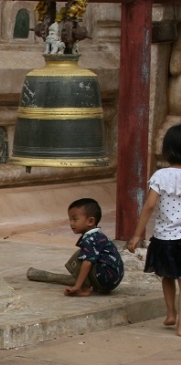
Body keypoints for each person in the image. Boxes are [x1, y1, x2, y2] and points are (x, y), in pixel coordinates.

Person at [127, 123, 181, 336]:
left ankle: (170, 313)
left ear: (166, 150)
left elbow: (149, 205)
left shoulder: (160, 176)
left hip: (164, 239)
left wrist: (137, 235)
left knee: (167, 277)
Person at [64, 198, 124, 297]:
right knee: (86, 255)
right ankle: (97, 286)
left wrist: (77, 286)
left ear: (90, 221)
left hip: (106, 278)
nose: (71, 223)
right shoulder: (98, 235)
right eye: (70, 219)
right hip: (113, 280)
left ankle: (84, 289)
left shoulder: (90, 239)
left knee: (79, 257)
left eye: (75, 219)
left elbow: (87, 262)